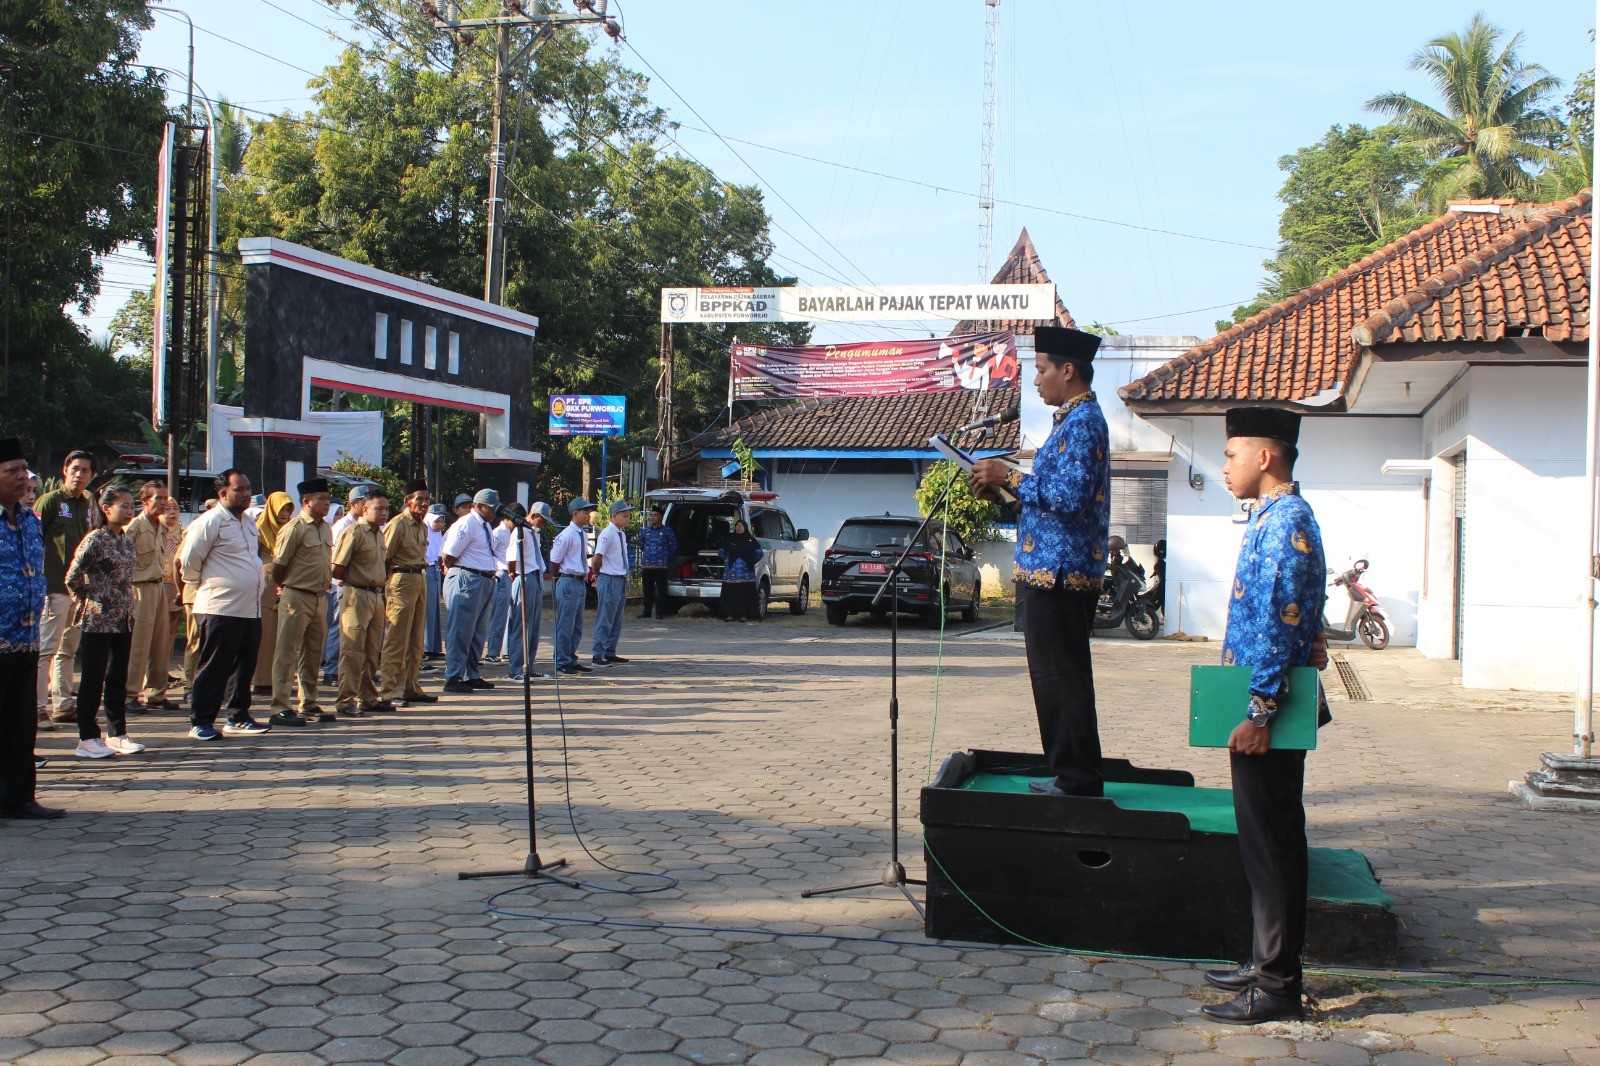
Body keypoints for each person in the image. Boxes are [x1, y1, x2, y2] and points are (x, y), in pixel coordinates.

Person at [1200, 407, 1329, 1026]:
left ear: (1265, 457)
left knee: (1271, 848)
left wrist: (1259, 714)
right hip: (1262, 709)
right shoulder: (1277, 518)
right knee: (1270, 844)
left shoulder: (1285, 524)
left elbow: (1280, 629)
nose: (1223, 467)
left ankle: (1277, 985)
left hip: (1266, 720)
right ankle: (1267, 963)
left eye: (1230, 455)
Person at [970, 325, 1110, 798]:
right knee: (1052, 679)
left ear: (1068, 371)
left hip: (1062, 576)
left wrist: (1009, 472)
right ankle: (1069, 772)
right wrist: (1004, 495)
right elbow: (1047, 505)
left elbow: (1069, 498)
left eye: (1042, 370)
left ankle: (1077, 778)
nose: (1036, 380)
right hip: (1047, 569)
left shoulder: (1085, 422)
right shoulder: (1068, 422)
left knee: (1062, 678)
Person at [179, 469, 270, 740]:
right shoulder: (209, 522)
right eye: (239, 489)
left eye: (248, 488)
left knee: (244, 664)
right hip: (219, 606)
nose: (246, 494)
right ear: (222, 493)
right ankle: (201, 720)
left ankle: (238, 716)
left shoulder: (247, 522)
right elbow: (189, 563)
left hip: (249, 607)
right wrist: (206, 586)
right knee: (214, 665)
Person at [0, 439, 63, 818]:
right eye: (12, 471)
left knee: (20, 726)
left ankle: (19, 798)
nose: (23, 478)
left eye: (25, 470)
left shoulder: (27, 518)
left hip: (25, 638)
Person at [65, 486, 145, 758]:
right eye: (122, 505)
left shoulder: (126, 539)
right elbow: (73, 576)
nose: (128, 510)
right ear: (105, 508)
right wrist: (89, 598)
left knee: (117, 677)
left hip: (123, 617)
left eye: (131, 504)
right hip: (99, 618)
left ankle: (117, 733)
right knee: (93, 677)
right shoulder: (95, 539)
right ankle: (87, 737)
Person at [35, 449, 96, 728]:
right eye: (75, 469)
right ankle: (37, 708)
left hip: (79, 589)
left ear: (92, 476)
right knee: (46, 649)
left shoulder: (89, 504)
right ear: (64, 470)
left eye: (85, 470)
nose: (79, 475)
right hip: (54, 585)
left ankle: (63, 703)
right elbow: (32, 537)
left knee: (67, 649)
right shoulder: (50, 501)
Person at [270, 479, 334, 727]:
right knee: (287, 652)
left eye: (327, 497)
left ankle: (309, 702)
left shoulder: (325, 528)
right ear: (306, 501)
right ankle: (280, 706)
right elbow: (279, 566)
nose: (326, 502)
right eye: (320, 498)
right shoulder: (294, 528)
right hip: (296, 595)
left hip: (319, 597)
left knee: (313, 653)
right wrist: (286, 587)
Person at [332, 489, 391, 717]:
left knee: (371, 650)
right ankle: (345, 700)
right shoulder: (354, 532)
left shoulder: (379, 534)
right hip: (356, 593)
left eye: (386, 508)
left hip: (376, 595)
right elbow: (337, 567)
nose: (384, 513)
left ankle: (368, 697)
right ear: (364, 509)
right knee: (352, 649)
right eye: (379, 508)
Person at [379, 480, 435, 709]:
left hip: (419, 576)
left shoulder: (422, 526)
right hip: (401, 578)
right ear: (407, 500)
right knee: (396, 638)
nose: (423, 503)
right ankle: (390, 690)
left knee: (415, 638)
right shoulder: (398, 524)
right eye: (418, 498)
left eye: (426, 499)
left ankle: (410, 686)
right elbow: (385, 557)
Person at [439, 488, 501, 694]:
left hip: (483, 579)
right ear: (480, 506)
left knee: (477, 631)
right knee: (461, 630)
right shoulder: (467, 523)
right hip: (468, 577)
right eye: (491, 508)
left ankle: (471, 673)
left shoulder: (484, 525)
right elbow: (448, 556)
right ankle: (454, 676)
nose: (494, 512)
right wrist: (464, 571)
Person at [125, 481, 177, 713]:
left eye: (166, 498)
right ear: (145, 501)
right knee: (139, 643)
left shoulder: (162, 527)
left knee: (161, 643)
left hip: (159, 587)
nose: (164, 503)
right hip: (139, 588)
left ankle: (157, 693)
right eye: (158, 498)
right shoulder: (134, 527)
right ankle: (129, 694)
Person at [250, 491, 294, 696]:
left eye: (288, 509)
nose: (284, 513)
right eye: (281, 508)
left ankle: (281, 679)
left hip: (287, 585)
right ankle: (261, 680)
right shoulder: (259, 530)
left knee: (284, 635)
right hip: (265, 587)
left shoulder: (291, 530)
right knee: (266, 634)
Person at [322, 490, 365, 685]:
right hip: (342, 583)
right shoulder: (342, 526)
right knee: (339, 626)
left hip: (361, 584)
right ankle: (332, 670)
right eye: (363, 502)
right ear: (353, 504)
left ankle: (353, 671)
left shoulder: (364, 526)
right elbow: (334, 556)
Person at [549, 497, 596, 676]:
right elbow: (554, 560)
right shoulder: (567, 534)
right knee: (565, 624)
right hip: (568, 579)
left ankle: (570, 658)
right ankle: (561, 661)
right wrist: (556, 578)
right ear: (575, 513)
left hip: (579, 580)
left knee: (577, 624)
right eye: (585, 512)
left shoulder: (582, 533)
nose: (588, 516)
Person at [506, 501, 550, 683]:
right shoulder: (520, 531)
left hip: (535, 577)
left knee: (533, 627)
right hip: (524, 577)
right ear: (532, 515)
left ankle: (528, 666)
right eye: (542, 520)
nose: (544, 524)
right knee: (521, 625)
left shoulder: (534, 533)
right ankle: (516, 669)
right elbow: (511, 558)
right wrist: (514, 572)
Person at [590, 500, 632, 666]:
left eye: (628, 516)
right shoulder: (607, 533)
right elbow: (597, 557)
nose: (627, 519)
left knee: (616, 618)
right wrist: (598, 574)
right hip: (609, 577)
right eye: (624, 516)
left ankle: (609, 651)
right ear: (614, 516)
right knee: (605, 617)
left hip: (619, 578)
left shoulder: (620, 534)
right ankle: (598, 653)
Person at [718, 518, 764, 622]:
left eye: (741, 526)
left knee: (745, 594)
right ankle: (729, 614)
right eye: (737, 526)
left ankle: (745, 615)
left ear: (745, 527)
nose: (738, 528)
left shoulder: (751, 540)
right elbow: (721, 552)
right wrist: (728, 560)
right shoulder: (730, 539)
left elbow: (759, 553)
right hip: (731, 574)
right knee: (731, 593)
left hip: (746, 574)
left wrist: (750, 562)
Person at [484, 512, 513, 663]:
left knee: (510, 615)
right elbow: (489, 551)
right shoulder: (498, 532)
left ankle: (507, 650)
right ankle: (492, 652)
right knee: (499, 615)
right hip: (501, 574)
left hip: (510, 574)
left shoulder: (511, 532)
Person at [637, 506, 676, 620]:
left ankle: (660, 612)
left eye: (655, 515)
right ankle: (646, 611)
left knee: (661, 590)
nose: (653, 517)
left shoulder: (667, 531)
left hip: (661, 565)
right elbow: (641, 545)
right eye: (652, 515)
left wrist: (666, 557)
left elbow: (673, 545)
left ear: (661, 517)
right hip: (647, 565)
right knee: (647, 590)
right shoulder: (645, 531)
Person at [423, 503, 447, 660]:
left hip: (436, 569)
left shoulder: (438, 533)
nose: (439, 524)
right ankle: (426, 647)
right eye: (437, 520)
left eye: (441, 521)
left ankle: (434, 646)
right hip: (426, 569)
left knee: (435, 609)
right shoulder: (423, 530)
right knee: (427, 609)